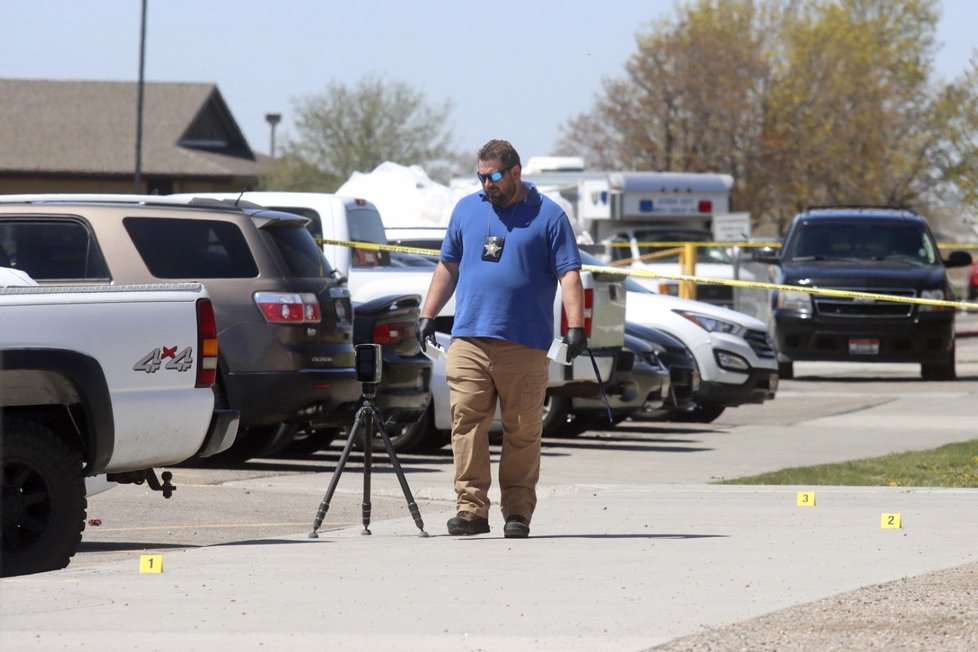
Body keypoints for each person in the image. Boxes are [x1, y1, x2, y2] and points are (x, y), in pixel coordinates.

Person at [417, 139, 587, 538]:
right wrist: (428, 315)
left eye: (493, 176)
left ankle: (517, 512)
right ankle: (471, 510)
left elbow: (570, 274)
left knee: (523, 430)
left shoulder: (548, 216)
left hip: (524, 345)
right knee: (466, 425)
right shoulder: (466, 210)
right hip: (469, 340)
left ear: (515, 172)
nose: (486, 184)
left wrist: (576, 326)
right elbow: (447, 266)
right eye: (481, 176)